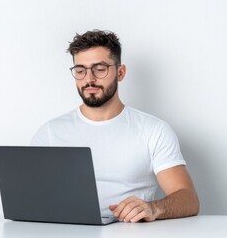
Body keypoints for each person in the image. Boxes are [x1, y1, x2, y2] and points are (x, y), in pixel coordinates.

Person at [30, 30, 199, 223]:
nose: (89, 79)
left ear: (120, 73)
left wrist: (154, 208)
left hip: (130, 231)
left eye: (99, 69)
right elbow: (30, 196)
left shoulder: (154, 130)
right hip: (67, 231)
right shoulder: (51, 132)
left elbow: (189, 199)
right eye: (80, 70)